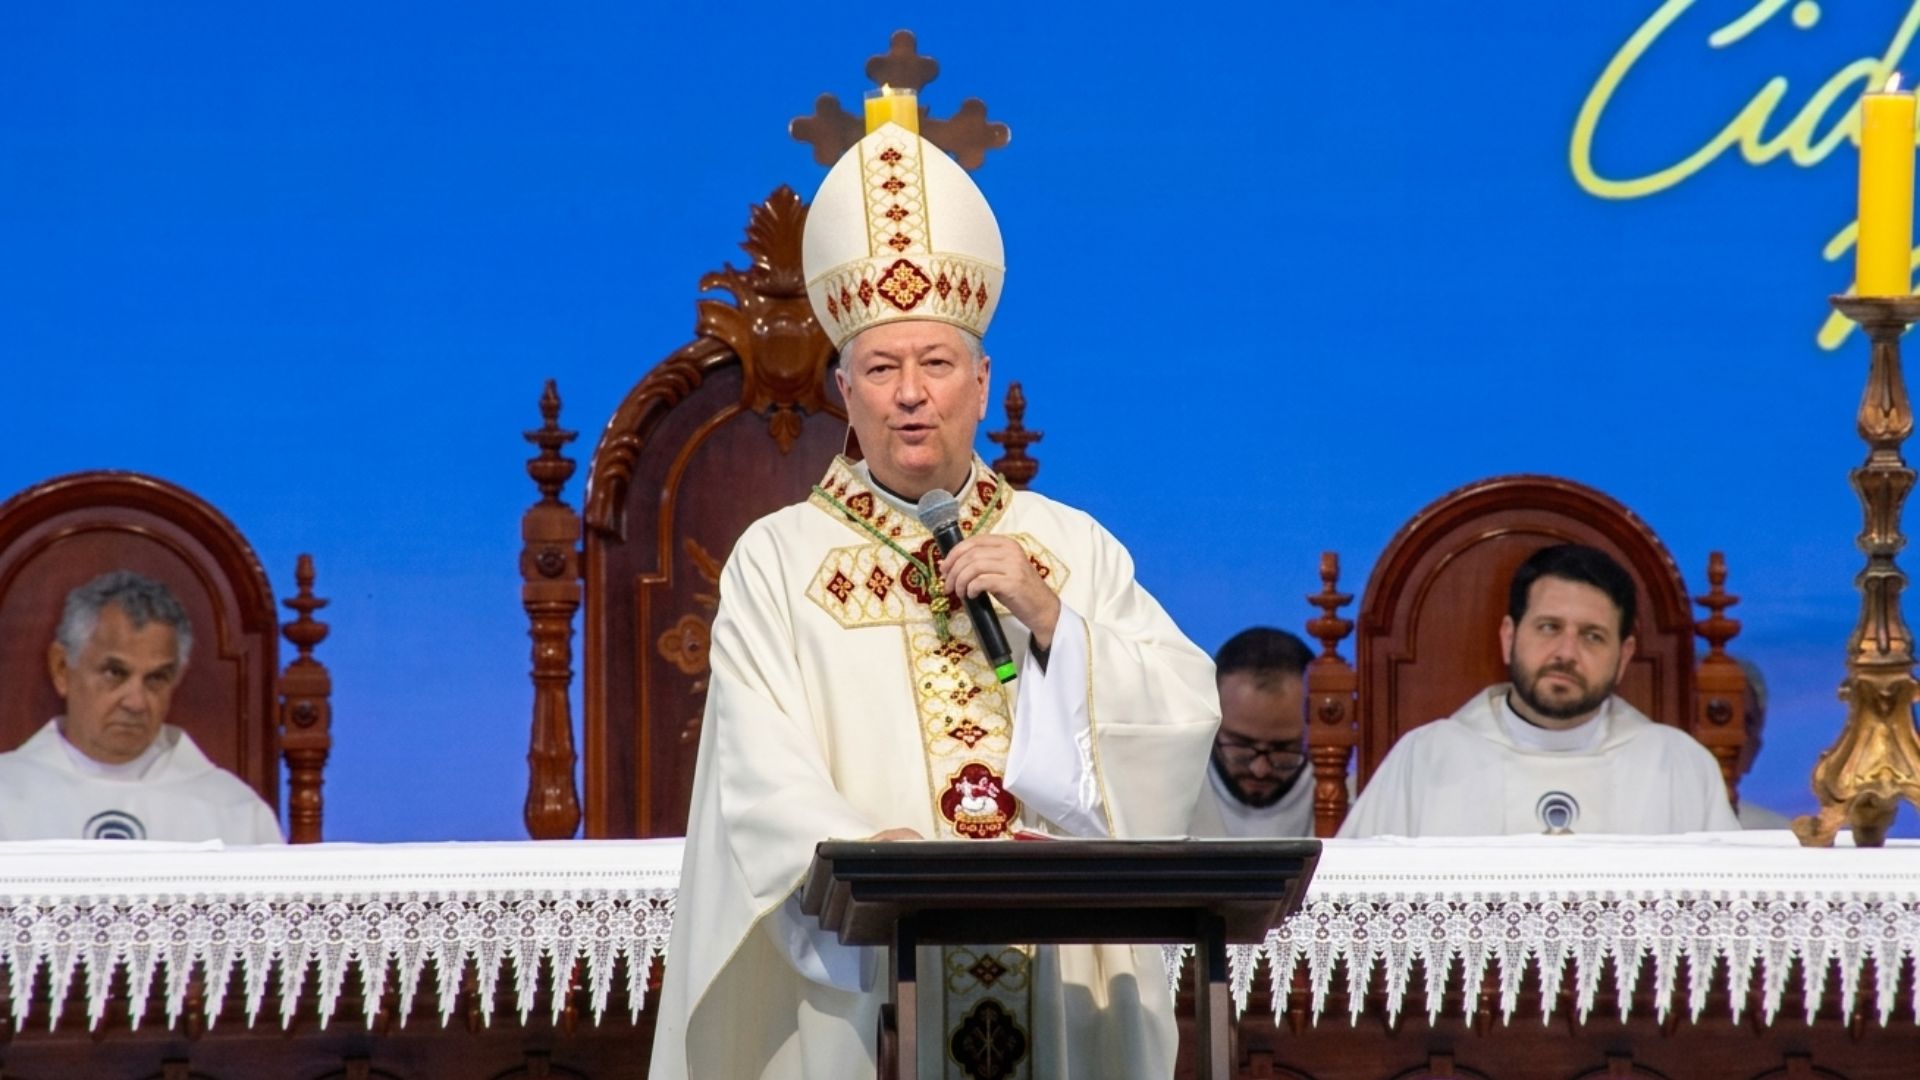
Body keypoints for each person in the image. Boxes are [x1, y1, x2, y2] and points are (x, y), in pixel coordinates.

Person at [648, 117, 1218, 1080]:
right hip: (874, 966)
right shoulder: (778, 562)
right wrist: (870, 854)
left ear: (983, 383)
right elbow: (756, 767)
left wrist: (1055, 624)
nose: (912, 394)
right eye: (882, 368)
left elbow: (1182, 712)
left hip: (1058, 970)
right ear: (845, 390)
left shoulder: (1070, 546)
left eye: (938, 364)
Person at [1339, 544, 1738, 838]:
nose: (1566, 652)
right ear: (1509, 637)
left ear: (1624, 657)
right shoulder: (1426, 757)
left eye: (1592, 636)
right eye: (1549, 627)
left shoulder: (1678, 765)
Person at [0, 570, 282, 844]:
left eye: (156, 678)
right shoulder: (7, 798)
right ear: (62, 668)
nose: (135, 702)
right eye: (114, 673)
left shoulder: (236, 814)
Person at [1189, 627, 1314, 838]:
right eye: (1241, 746)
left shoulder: (1351, 798)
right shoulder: (1169, 793)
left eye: (1283, 750)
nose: (1260, 769)